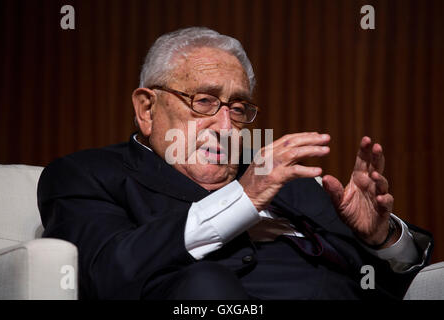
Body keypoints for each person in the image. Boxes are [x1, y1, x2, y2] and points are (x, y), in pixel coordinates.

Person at [37, 27, 433, 300]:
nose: (226, 126)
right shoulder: (87, 175)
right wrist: (243, 199)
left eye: (239, 107)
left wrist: (379, 240)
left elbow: (387, 281)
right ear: (147, 108)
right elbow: (105, 274)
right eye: (204, 101)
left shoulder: (288, 181)